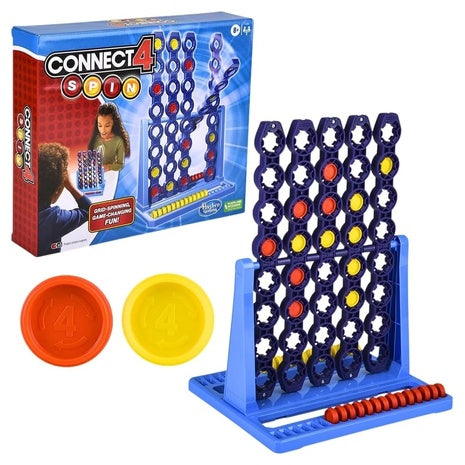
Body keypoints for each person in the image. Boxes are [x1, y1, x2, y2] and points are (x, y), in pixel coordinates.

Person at [38, 142, 91, 256]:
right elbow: (89, 211)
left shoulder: (21, 205)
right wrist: (70, 186)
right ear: (57, 191)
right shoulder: (53, 219)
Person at [88, 102, 130, 171]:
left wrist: (107, 167)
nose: (102, 130)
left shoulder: (118, 141)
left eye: (107, 126)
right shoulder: (95, 138)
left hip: (110, 174)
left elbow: (120, 165)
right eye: (100, 125)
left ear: (114, 124)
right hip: (94, 173)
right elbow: (90, 159)